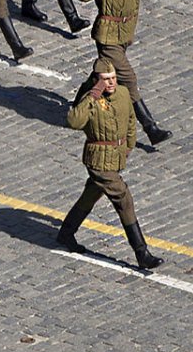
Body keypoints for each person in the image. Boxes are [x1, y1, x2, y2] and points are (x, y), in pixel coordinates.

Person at [57, 60, 162, 271]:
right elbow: (74, 121)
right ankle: (141, 252)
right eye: (106, 79)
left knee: (92, 194)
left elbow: (131, 121)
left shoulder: (123, 93)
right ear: (97, 81)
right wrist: (93, 94)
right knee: (123, 197)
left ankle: (66, 233)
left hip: (116, 157)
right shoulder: (91, 100)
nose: (111, 82)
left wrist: (128, 147)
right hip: (98, 160)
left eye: (113, 78)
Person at [74, 0, 171, 145]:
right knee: (129, 80)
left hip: (123, 36)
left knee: (102, 72)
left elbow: (135, 4)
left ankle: (77, 107)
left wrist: (128, 35)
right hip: (106, 37)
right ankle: (150, 128)